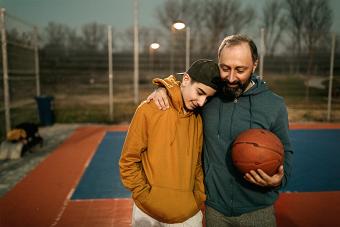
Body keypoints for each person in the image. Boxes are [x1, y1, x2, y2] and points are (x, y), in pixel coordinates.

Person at [147, 34, 294, 227]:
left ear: (255, 65)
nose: (231, 78)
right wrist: (163, 88)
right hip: (215, 210)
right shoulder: (209, 94)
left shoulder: (273, 104)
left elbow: (286, 151)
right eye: (225, 68)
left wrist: (278, 179)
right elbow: (184, 80)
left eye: (240, 70)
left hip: (258, 210)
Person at [119, 59, 221, 226]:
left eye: (207, 98)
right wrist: (145, 196)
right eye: (200, 92)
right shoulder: (149, 109)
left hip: (188, 215)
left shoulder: (198, 118)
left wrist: (197, 197)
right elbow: (128, 161)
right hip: (147, 213)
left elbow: (197, 164)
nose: (202, 102)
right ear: (186, 79)